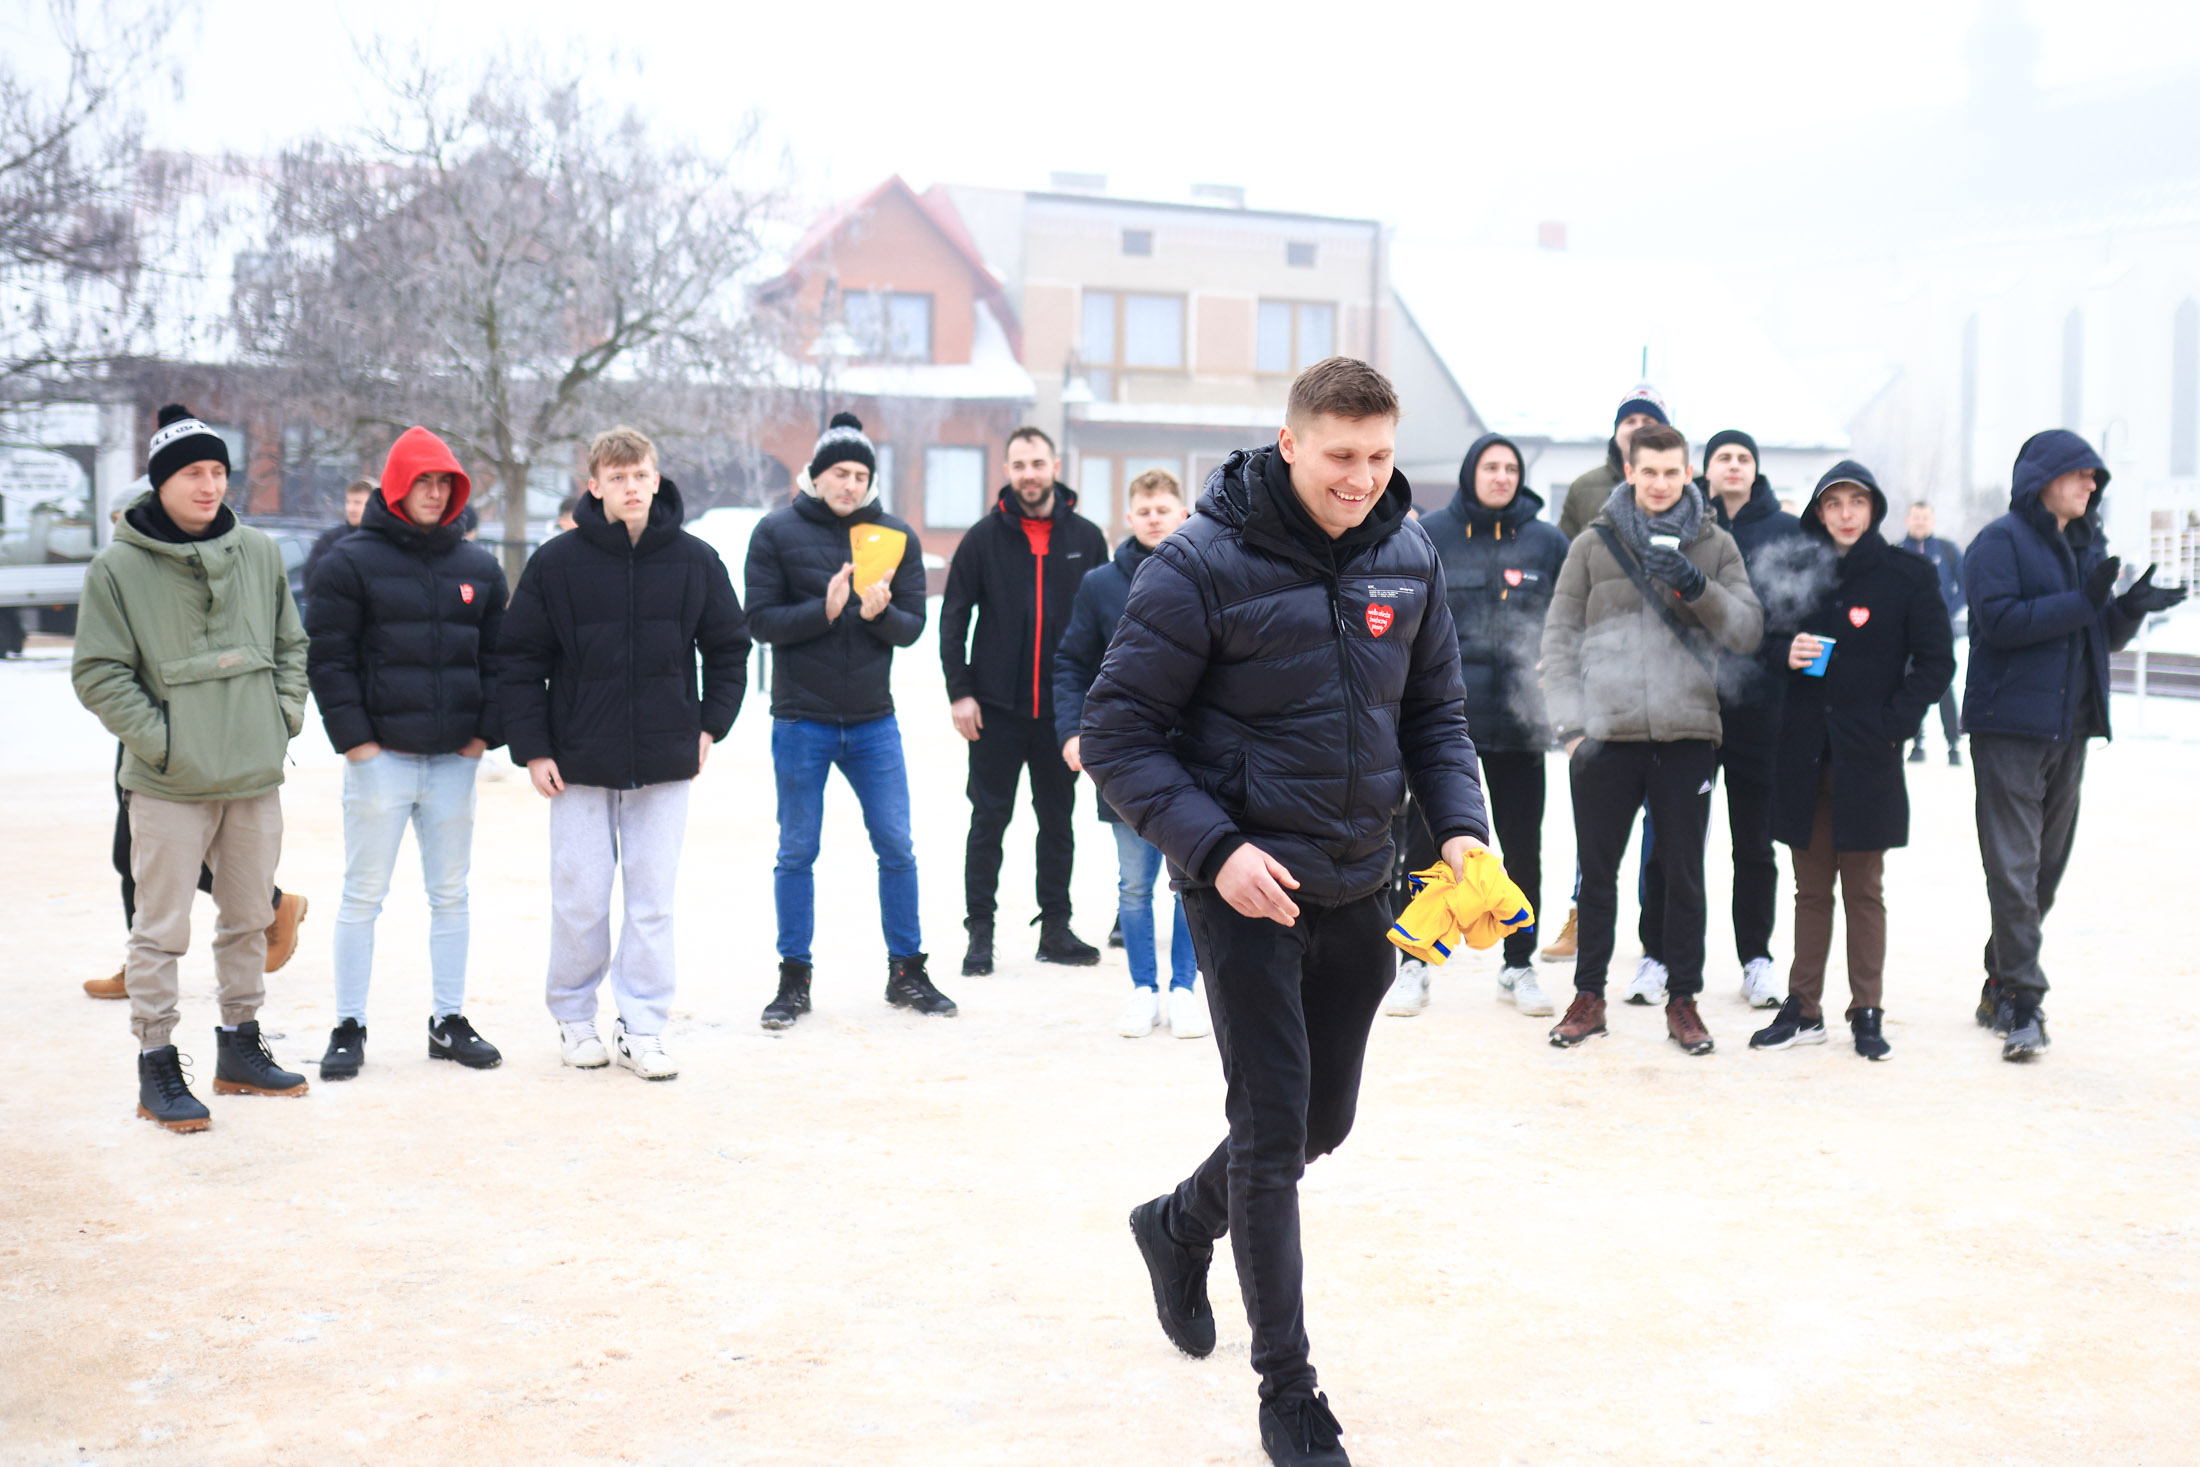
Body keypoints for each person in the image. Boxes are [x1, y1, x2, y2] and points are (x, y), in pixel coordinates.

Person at [1083, 358, 1489, 1467]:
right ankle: (1288, 1392)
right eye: (1341, 456)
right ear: (1290, 442)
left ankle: (1176, 1224)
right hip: (1243, 889)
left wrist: (1460, 830)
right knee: (1272, 1133)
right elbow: (1117, 734)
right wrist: (1215, 852)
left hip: (1360, 881)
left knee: (1319, 1125)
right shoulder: (1197, 564)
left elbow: (1436, 717)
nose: (1363, 478)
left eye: (1381, 456)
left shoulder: (1409, 554)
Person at [72, 404, 313, 1131]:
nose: (209, 486)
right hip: (170, 783)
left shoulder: (260, 553)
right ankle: (157, 1064)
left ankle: (240, 1047)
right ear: (160, 482)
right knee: (160, 929)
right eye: (192, 474)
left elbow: (291, 645)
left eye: (217, 471)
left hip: (253, 776)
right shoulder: (117, 568)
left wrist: (280, 718)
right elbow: (99, 672)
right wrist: (166, 744)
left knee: (248, 918)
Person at [501, 425, 751, 1080]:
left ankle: (642, 1027)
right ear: (595, 486)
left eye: (640, 475)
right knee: (580, 896)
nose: (631, 487)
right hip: (577, 761)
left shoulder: (696, 560)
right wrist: (533, 748)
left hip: (666, 760)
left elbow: (730, 647)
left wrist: (710, 726)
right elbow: (519, 660)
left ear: (656, 478)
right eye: (617, 477)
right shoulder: (556, 563)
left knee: (652, 899)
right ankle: (574, 1016)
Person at [1541, 423, 1763, 1056]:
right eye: (1650, 472)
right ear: (1630, 472)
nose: (1661, 483)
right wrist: (1572, 729)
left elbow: (1747, 631)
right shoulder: (1592, 544)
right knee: (1598, 878)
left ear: (1688, 474)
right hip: (1604, 736)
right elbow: (1559, 636)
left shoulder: (1715, 544)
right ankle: (1588, 998)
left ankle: (1683, 1001)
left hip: (1687, 733)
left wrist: (1696, 585)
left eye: (1672, 472)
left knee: (1684, 876)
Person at [1961, 430, 2184, 1060]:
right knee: (2014, 868)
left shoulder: (2088, 545)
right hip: (2010, 728)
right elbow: (1999, 623)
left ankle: (1999, 980)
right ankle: (2024, 1001)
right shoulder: (1998, 542)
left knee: (2044, 874)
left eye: (2096, 479)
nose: (2092, 485)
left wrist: (2129, 609)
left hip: (2072, 725)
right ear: (2043, 480)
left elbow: (2094, 635)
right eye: (2082, 474)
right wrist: (2082, 601)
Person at [305, 426, 509, 1080]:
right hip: (381, 759)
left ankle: (448, 1020)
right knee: (363, 894)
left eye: (445, 482)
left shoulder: (479, 567)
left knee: (451, 893)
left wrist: (481, 737)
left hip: (454, 760)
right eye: (424, 481)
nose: (435, 492)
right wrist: (358, 744)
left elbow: (502, 659)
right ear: (397, 485)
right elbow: (328, 659)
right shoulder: (348, 562)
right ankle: (349, 1024)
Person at [745, 412, 954, 1028]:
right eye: (840, 473)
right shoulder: (775, 532)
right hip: (800, 721)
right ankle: (794, 979)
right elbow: (758, 620)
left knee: (896, 846)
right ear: (815, 475)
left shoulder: (894, 535)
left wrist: (876, 613)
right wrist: (826, 609)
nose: (850, 484)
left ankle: (907, 972)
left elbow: (911, 628)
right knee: (796, 851)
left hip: (872, 722)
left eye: (861, 475)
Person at [1749, 463, 1953, 1061]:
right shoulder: (1794, 570)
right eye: (1833, 502)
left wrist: (1894, 724)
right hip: (1803, 753)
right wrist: (1783, 651)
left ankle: (1867, 1011)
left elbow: (1937, 662)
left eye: (1856, 502)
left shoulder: (1907, 575)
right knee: (1810, 889)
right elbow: (1758, 641)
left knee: (1864, 889)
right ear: (1818, 511)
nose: (1845, 513)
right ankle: (1803, 1009)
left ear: (1874, 509)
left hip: (1869, 756)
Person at [1384, 432, 1566, 1021]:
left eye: (1510, 468)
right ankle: (1413, 962)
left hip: (1518, 720)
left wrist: (1561, 667)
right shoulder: (1431, 533)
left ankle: (1519, 964)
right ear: (1470, 473)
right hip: (1443, 722)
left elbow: (1570, 618)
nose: (1501, 477)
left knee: (1523, 847)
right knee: (1424, 843)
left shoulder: (1545, 542)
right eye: (1491, 467)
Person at [939, 425, 1110, 976]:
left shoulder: (1086, 537)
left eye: (1037, 463)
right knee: (988, 821)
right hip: (996, 710)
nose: (1029, 474)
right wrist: (961, 692)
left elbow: (1104, 627)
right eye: (1019, 465)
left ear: (1054, 466)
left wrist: (1094, 704)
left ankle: (1055, 928)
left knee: (1057, 822)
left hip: (1062, 714)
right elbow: (953, 618)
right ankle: (980, 933)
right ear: (1007, 471)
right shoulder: (981, 539)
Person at [1054, 466, 1205, 1040]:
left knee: (1192, 882)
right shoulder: (1099, 585)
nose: (1153, 519)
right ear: (1128, 517)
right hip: (1124, 757)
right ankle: (1144, 989)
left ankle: (1185, 988)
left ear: (1181, 513)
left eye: (1163, 509)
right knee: (1134, 885)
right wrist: (1074, 732)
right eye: (1144, 511)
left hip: (1193, 757)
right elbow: (1071, 663)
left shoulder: (1206, 571)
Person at [1659, 427, 1802, 1010]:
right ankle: (1659, 955)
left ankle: (1756, 959)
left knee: (1755, 845)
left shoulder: (1787, 531)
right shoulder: (1681, 526)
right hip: (1689, 703)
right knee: (1674, 842)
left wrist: (1777, 657)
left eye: (1744, 457)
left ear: (1755, 468)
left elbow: (1794, 613)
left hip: (1759, 709)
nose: (1735, 466)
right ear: (1706, 469)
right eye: (1724, 457)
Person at [1544, 382, 1673, 963]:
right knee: (1596, 815)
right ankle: (1581, 917)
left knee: (1662, 826)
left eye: (1649, 420)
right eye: (1630, 421)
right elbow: (1566, 572)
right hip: (1600, 668)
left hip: (1666, 675)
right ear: (1617, 433)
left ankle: (1655, 932)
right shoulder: (1586, 488)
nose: (1638, 429)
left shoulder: (1681, 491)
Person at [87, 745, 308, 1000]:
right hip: (152, 740)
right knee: (132, 854)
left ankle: (272, 902)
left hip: (176, 742)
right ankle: (141, 967)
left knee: (150, 852)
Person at [1897, 500, 1966, 766]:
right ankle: (1916, 741)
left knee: (1943, 685)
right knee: (1908, 683)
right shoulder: (1897, 551)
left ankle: (1953, 744)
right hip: (1904, 634)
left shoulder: (1947, 550)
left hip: (1939, 632)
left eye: (1925, 518)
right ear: (1907, 520)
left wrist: (1947, 611)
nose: (1920, 522)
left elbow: (1965, 586)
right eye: (1916, 517)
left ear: (1932, 521)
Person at [303, 478, 374, 589]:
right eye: (348, 502)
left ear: (373, 505)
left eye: (358, 503)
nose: (351, 508)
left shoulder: (384, 540)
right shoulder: (330, 539)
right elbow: (311, 578)